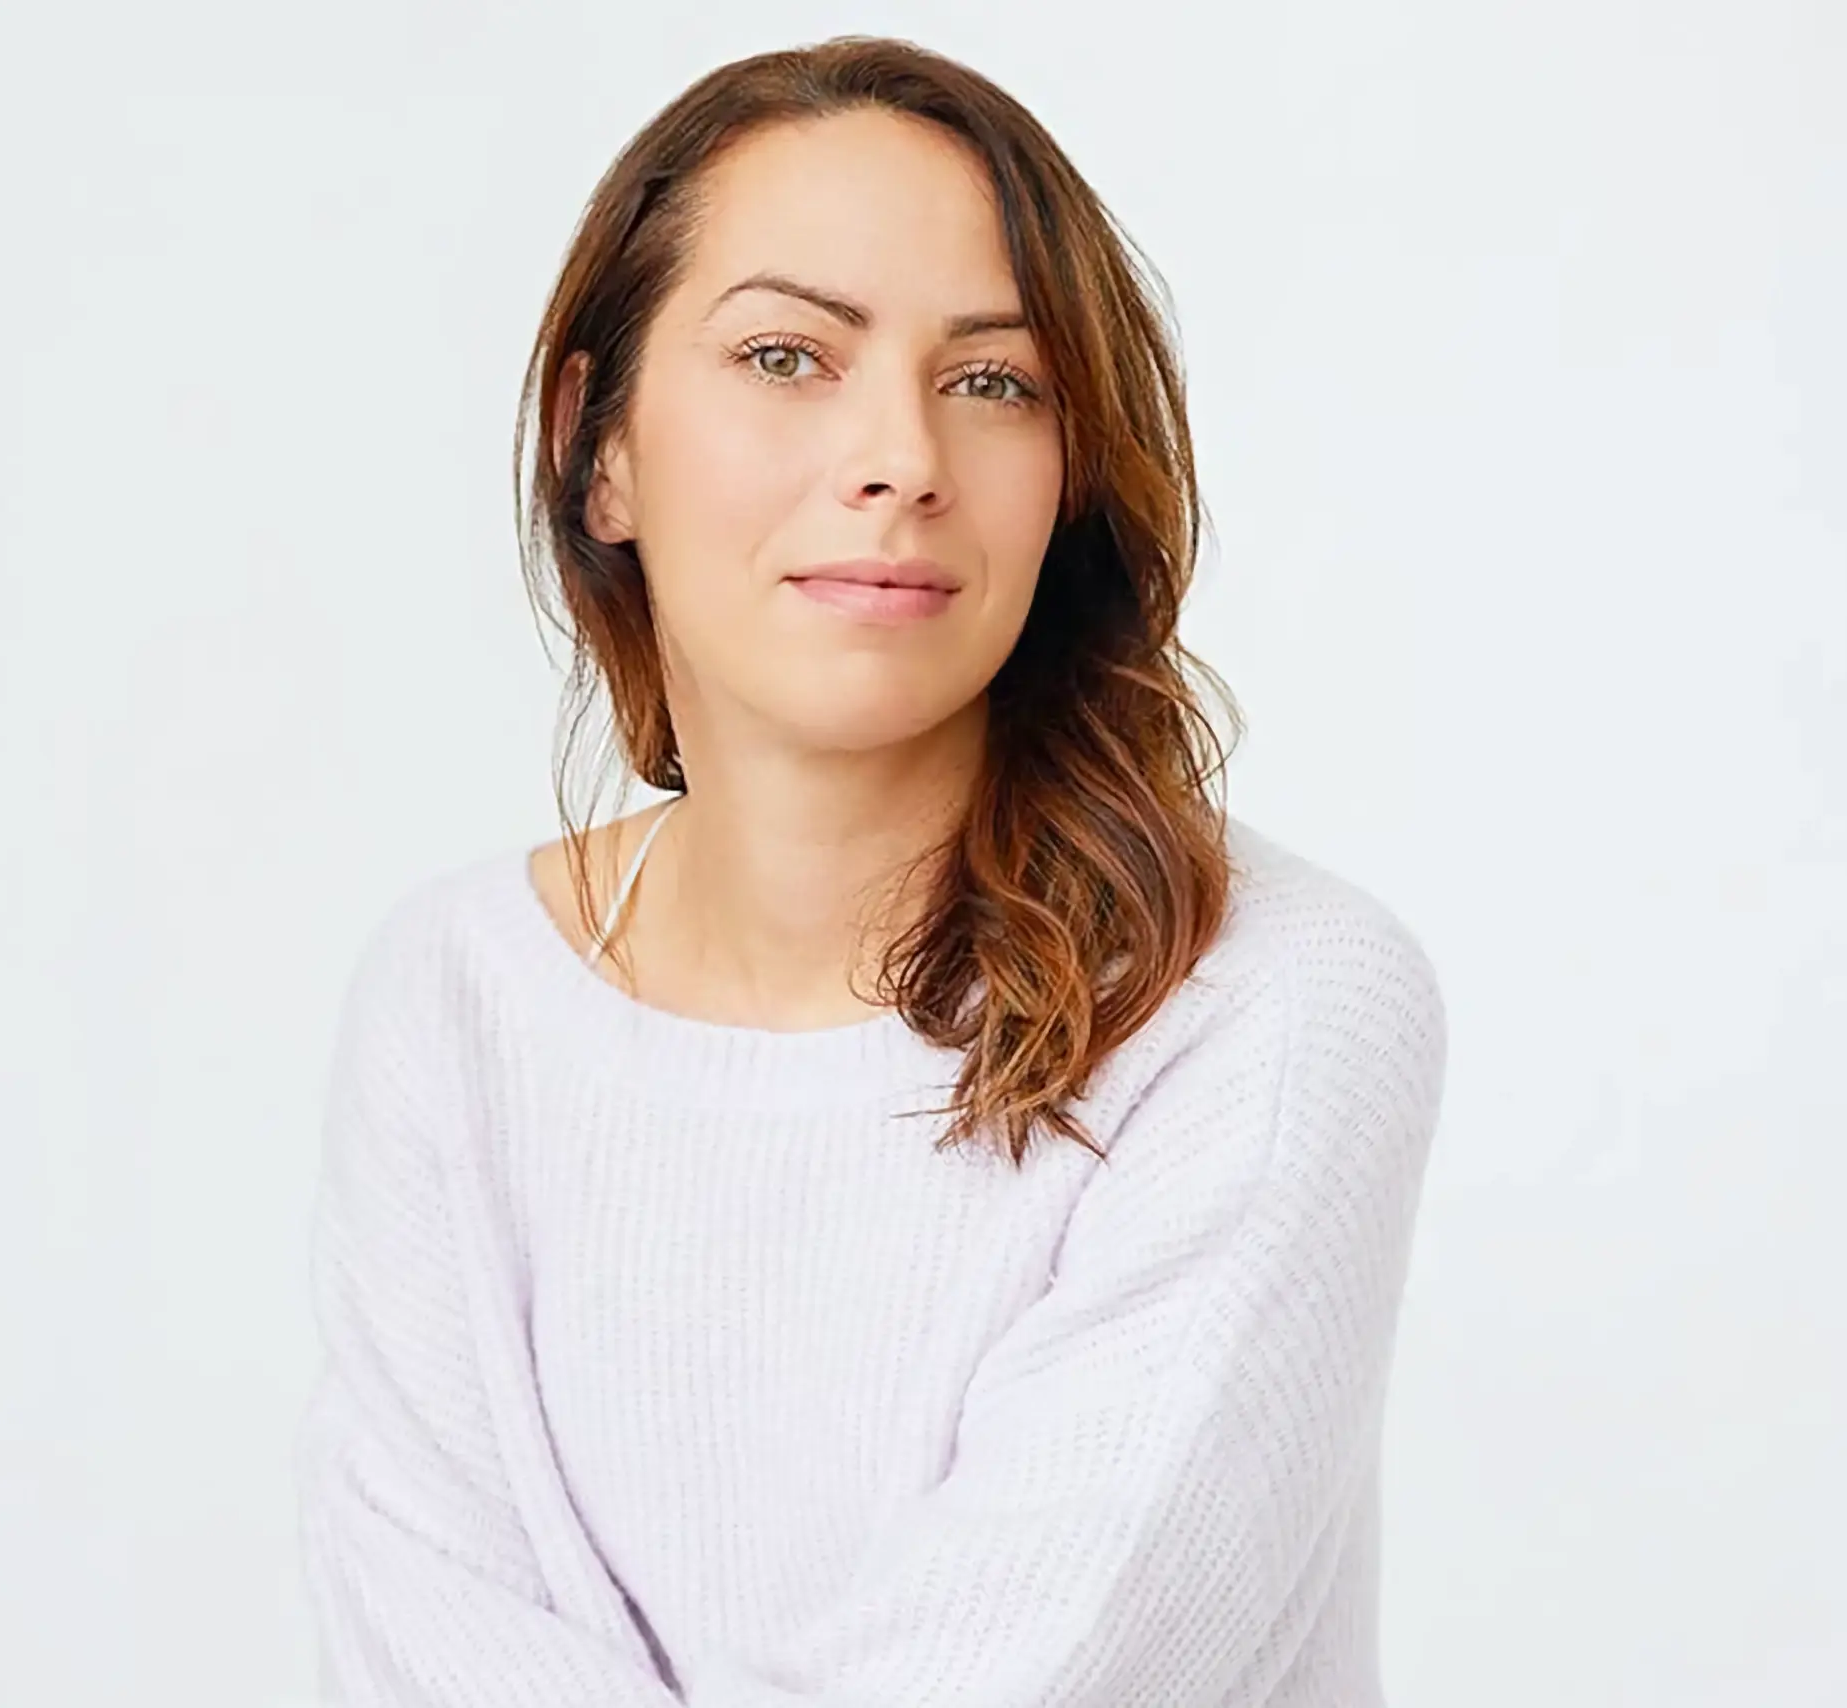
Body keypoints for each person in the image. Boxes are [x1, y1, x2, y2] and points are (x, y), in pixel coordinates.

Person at [294, 34, 1449, 1708]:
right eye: (785, 354)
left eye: (994, 381)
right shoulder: (458, 999)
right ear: (597, 444)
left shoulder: (1273, 1008)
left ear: (1068, 481)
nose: (902, 455)